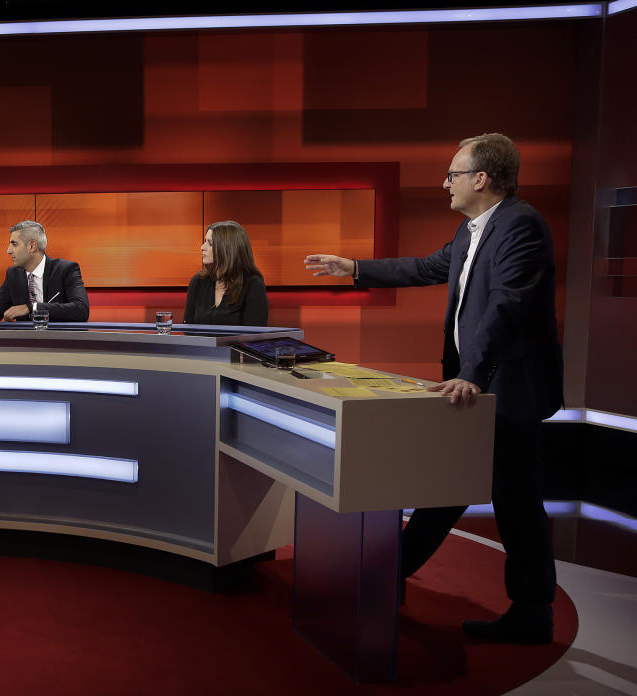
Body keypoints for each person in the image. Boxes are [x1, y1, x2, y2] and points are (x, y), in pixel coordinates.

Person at [304, 133, 563, 644]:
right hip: (479, 389)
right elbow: (426, 267)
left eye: (453, 174)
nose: (445, 183)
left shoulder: (521, 226)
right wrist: (355, 268)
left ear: (481, 179)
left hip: (508, 391)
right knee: (451, 488)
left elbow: (506, 307)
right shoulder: (471, 231)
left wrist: (473, 373)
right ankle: (388, 575)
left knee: (510, 500)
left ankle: (530, 612)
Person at [0, 220, 89, 322]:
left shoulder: (65, 270)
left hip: (59, 341)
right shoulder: (13, 274)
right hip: (24, 342)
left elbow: (81, 309)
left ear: (32, 246)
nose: (8, 251)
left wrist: (31, 308)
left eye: (14, 244)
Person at [184, 220, 268, 326]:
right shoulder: (198, 282)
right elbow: (188, 329)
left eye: (210, 243)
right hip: (200, 343)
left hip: (235, 343)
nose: (202, 247)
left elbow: (254, 336)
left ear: (227, 249)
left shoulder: (253, 285)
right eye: (205, 241)